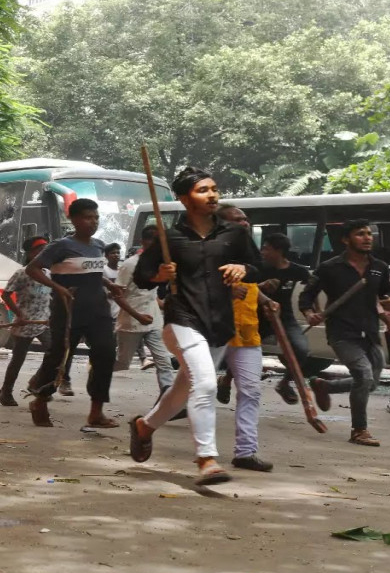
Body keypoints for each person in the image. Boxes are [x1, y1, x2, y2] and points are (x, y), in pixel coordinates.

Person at [128, 168, 261, 486]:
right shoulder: (168, 237)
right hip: (182, 321)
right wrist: (160, 275)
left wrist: (244, 268)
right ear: (184, 198)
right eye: (203, 190)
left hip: (219, 324)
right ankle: (207, 459)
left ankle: (144, 427)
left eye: (214, 188)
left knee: (184, 387)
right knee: (205, 384)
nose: (212, 194)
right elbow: (142, 276)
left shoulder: (234, 234)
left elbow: (261, 267)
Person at [23, 199, 120, 429]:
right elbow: (32, 269)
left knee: (105, 355)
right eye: (88, 217)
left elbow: (93, 273)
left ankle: (96, 412)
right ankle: (41, 399)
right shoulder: (61, 246)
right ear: (74, 219)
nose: (93, 222)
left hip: (98, 310)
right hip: (68, 311)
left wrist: (109, 284)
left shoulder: (98, 245)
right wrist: (57, 288)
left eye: (96, 217)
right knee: (58, 356)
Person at [299, 219, 390, 447]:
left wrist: (388, 313)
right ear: (345, 239)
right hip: (342, 333)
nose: (368, 238)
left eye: (370, 234)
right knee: (364, 375)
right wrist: (311, 313)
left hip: (369, 332)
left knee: (370, 383)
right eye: (361, 234)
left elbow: (383, 298)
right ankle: (359, 430)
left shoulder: (379, 267)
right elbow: (306, 296)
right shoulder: (330, 268)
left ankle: (325, 386)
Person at [211, 205, 275, 471]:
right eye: (238, 220)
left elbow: (250, 285)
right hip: (214, 329)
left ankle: (245, 452)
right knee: (195, 389)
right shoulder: (210, 251)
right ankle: (150, 424)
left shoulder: (249, 255)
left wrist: (266, 299)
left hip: (247, 331)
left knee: (250, 390)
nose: (245, 223)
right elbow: (191, 283)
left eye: (246, 219)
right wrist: (223, 289)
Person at [114, 225, 175, 395]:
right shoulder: (130, 265)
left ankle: (167, 395)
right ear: (143, 242)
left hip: (154, 320)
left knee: (163, 360)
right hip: (131, 323)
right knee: (122, 363)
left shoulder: (159, 265)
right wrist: (138, 316)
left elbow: (151, 293)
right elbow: (118, 295)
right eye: (154, 241)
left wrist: (165, 306)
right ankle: (98, 370)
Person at [256, 233, 314, 404]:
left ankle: (284, 383)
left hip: (285, 318)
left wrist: (311, 311)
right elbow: (245, 287)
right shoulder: (258, 269)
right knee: (242, 352)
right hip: (257, 318)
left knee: (301, 350)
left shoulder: (297, 270)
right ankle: (226, 380)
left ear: (279, 251)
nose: (263, 252)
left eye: (266, 248)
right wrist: (262, 286)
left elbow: (312, 288)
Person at [0, 236, 52, 407]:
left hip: (43, 323)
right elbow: (6, 294)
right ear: (29, 254)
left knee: (54, 354)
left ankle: (36, 383)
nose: (43, 254)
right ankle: (6, 392)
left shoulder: (48, 273)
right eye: (39, 250)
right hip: (25, 324)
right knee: (18, 359)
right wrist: (18, 314)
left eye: (45, 250)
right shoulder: (22, 273)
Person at [104, 243, 123, 322]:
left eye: (118, 253)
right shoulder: (103, 270)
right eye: (113, 253)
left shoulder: (123, 270)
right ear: (106, 256)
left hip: (122, 310)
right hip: (108, 309)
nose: (116, 255)